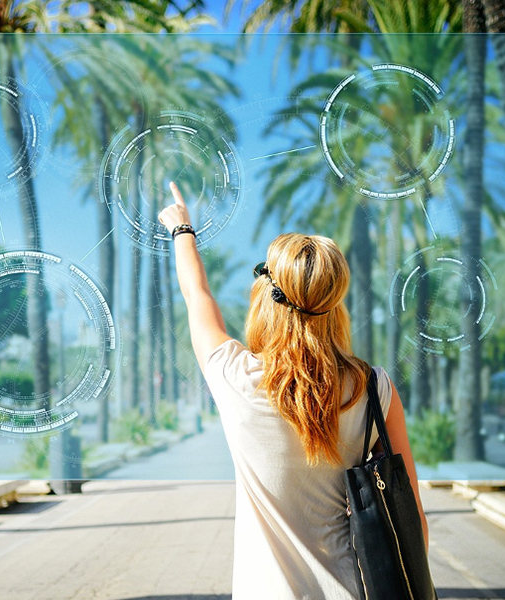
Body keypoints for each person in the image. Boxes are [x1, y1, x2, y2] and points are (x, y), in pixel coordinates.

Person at [157, 181, 428, 600]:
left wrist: (182, 230)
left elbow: (197, 296)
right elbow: (412, 522)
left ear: (266, 297)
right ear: (334, 302)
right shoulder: (374, 389)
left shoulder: (236, 376)